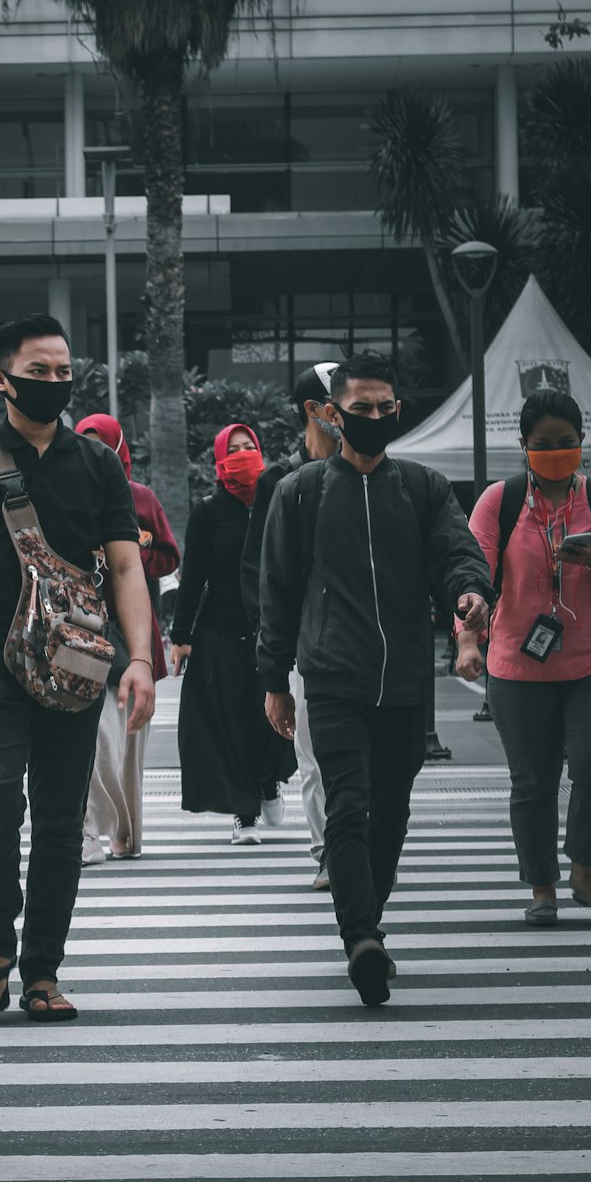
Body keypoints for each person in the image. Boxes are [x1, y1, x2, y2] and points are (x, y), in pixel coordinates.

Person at [0, 314, 155, 1022]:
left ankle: (42, 970)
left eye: (61, 371)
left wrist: (138, 660)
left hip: (77, 667)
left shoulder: (97, 464)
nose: (52, 383)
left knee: (59, 820)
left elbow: (128, 568)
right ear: (1, 378)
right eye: (37, 371)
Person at [258, 355, 493, 1006]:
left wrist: (471, 592)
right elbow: (275, 592)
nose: (373, 419)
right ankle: (360, 935)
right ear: (334, 415)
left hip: (407, 684)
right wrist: (274, 679)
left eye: (384, 409)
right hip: (332, 678)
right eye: (360, 409)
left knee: (391, 814)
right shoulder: (300, 491)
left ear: (397, 413)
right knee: (349, 808)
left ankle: (369, 920)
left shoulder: (421, 487)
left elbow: (457, 555)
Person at [456, 389, 591, 928]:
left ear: (581, 442)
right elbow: (471, 576)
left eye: (566, 443)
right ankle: (542, 887)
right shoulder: (499, 500)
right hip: (518, 667)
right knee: (534, 780)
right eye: (543, 444)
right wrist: (468, 636)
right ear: (523, 444)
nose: (555, 451)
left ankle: (586, 873)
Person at [241, 361, 340, 888]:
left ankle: (362, 842)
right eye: (342, 399)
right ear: (314, 409)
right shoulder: (280, 480)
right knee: (314, 757)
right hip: (305, 645)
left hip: (365, 643)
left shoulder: (372, 472)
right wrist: (272, 656)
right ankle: (329, 849)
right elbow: (259, 570)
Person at [171, 423, 293, 845]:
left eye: (250, 447)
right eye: (234, 449)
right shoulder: (209, 511)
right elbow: (193, 577)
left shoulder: (278, 499)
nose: (243, 455)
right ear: (220, 459)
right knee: (231, 723)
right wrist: (180, 636)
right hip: (219, 632)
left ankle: (267, 782)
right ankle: (244, 813)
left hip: (269, 632)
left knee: (273, 717)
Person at [75, 413, 179, 864]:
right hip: (78, 635)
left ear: (120, 450)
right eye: (85, 444)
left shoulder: (140, 497)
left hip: (134, 640)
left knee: (130, 749)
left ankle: (126, 834)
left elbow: (168, 556)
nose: (95, 454)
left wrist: (129, 554)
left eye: (103, 445)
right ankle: (89, 830)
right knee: (94, 743)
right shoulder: (64, 495)